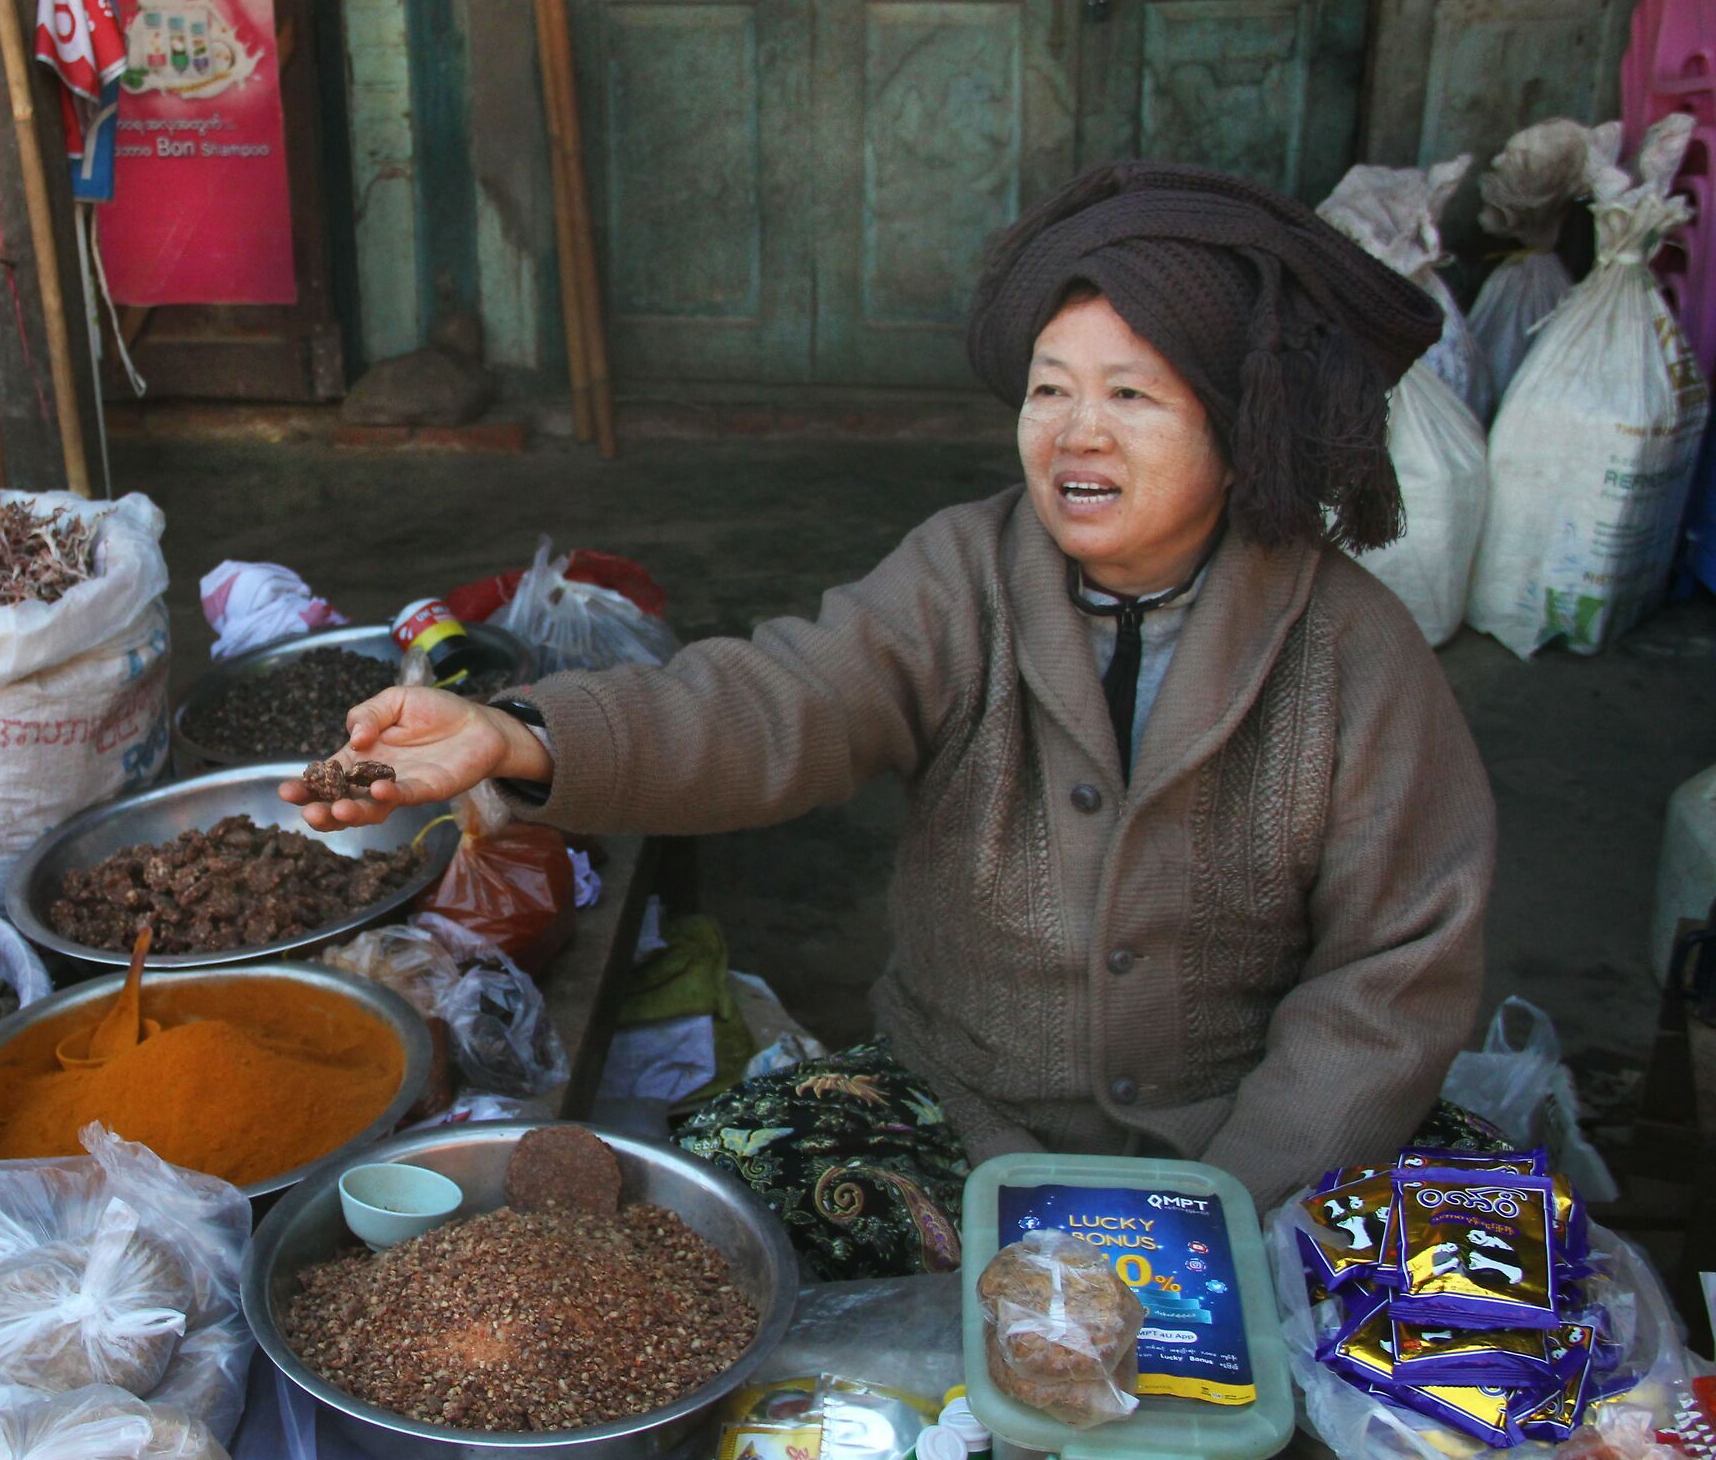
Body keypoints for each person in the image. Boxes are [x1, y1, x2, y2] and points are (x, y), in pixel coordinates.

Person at [282, 163, 1500, 1276]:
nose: (1076, 432)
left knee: (1481, 1267)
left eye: (1132, 395)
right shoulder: (961, 577)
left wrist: (1222, 1216)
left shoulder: (1353, 652)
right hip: (962, 1119)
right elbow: (781, 701)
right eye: (1050, 390)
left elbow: (1393, 973)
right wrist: (522, 737)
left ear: (1239, 435)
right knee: (708, 1207)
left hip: (1248, 1144)